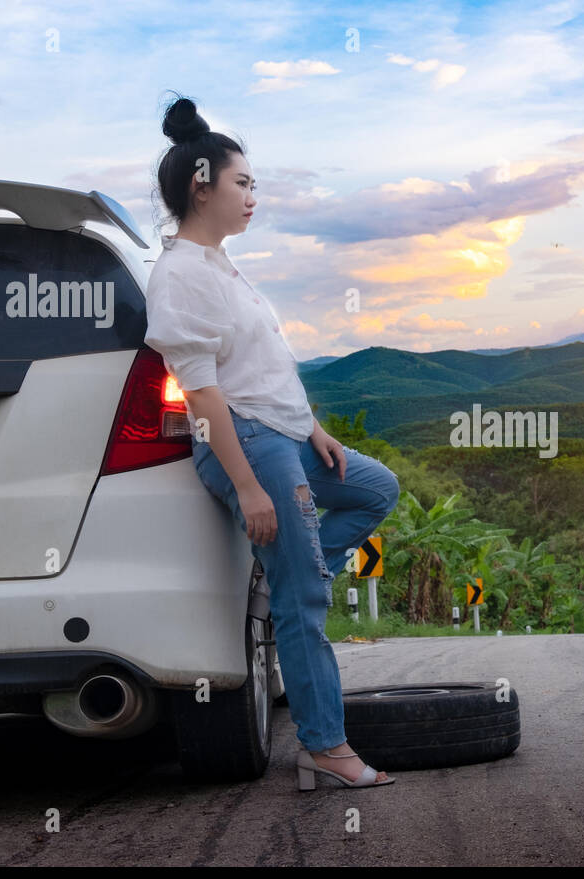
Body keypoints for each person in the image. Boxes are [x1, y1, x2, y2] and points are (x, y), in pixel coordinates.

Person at [145, 94, 399, 789]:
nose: (254, 196)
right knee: (304, 607)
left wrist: (313, 426)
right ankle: (323, 745)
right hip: (249, 446)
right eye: (243, 183)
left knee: (377, 488)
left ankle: (292, 573)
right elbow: (202, 394)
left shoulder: (223, 266)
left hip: (285, 434)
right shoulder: (180, 276)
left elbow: (262, 369)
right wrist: (250, 486)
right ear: (203, 185)